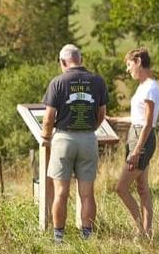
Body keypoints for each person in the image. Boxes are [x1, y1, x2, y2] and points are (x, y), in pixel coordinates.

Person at [41, 44, 109, 243]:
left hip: (63, 139)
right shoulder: (97, 81)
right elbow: (102, 114)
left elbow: (48, 118)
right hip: (88, 139)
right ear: (81, 59)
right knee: (87, 194)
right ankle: (87, 236)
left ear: (63, 62)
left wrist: (46, 138)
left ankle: (58, 237)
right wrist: (90, 130)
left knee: (61, 193)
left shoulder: (58, 82)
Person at [106, 47, 159, 241]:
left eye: (129, 65)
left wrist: (137, 151)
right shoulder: (142, 86)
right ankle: (147, 231)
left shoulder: (150, 88)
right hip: (136, 135)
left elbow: (147, 123)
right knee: (142, 188)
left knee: (120, 188)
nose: (128, 70)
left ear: (138, 61)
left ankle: (142, 230)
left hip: (142, 139)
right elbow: (138, 118)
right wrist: (115, 120)